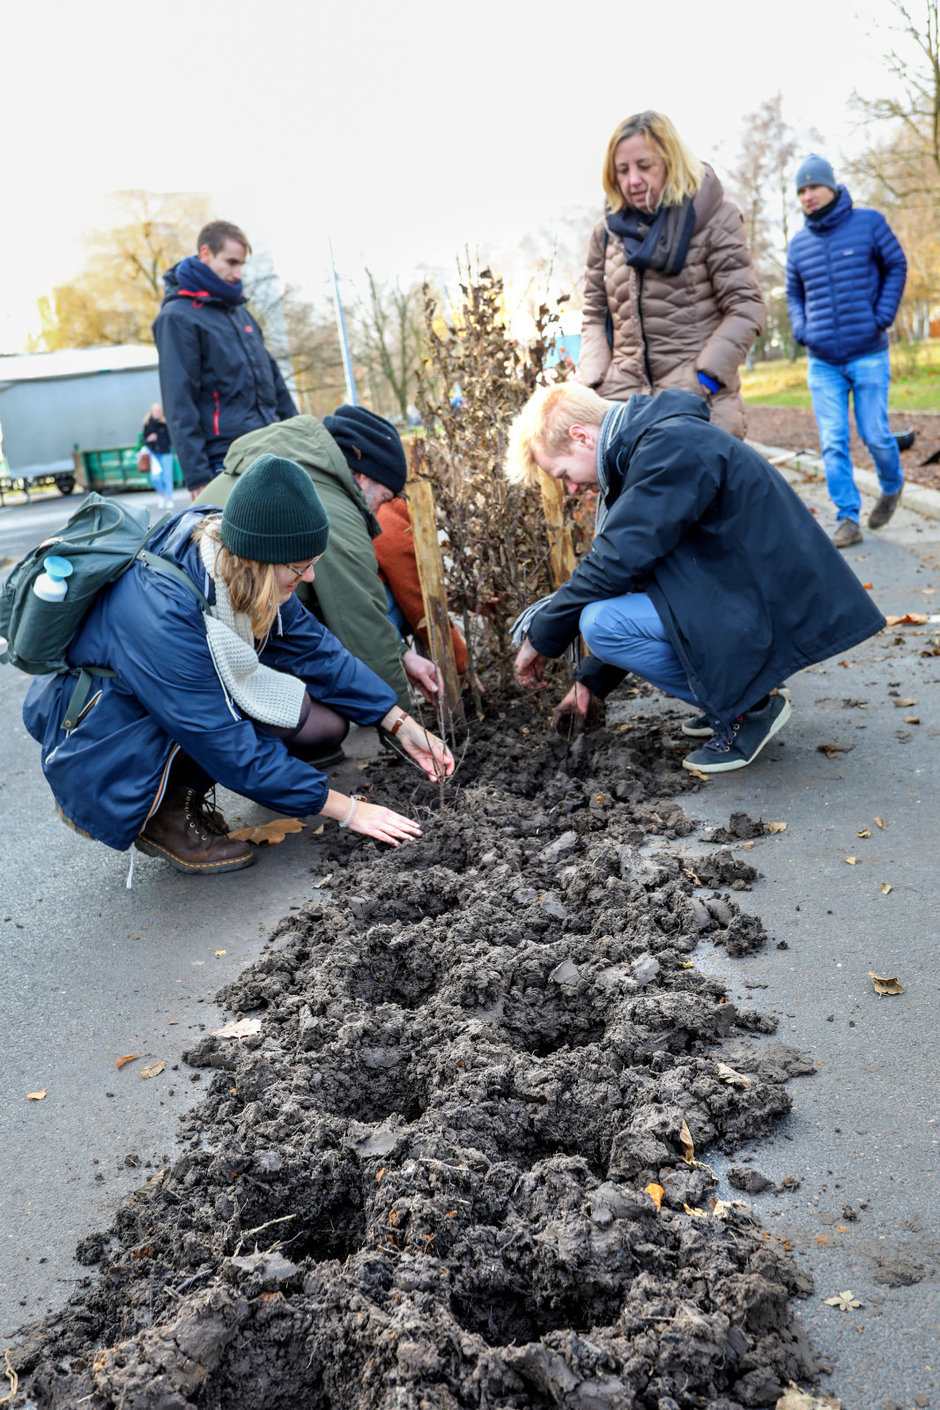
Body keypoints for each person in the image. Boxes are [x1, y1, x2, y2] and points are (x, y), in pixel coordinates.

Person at [23, 455, 454, 876]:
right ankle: (163, 813)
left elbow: (316, 650)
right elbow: (226, 742)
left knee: (319, 726)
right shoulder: (159, 615)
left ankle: (190, 785)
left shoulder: (241, 557)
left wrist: (399, 723)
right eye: (300, 567)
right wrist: (350, 810)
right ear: (262, 559)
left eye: (313, 564)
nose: (309, 579)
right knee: (222, 734)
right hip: (102, 744)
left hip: (175, 700)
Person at [505, 383, 885, 773]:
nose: (570, 488)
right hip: (742, 594)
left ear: (581, 437)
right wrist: (589, 683)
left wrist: (542, 637)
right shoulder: (652, 444)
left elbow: (615, 563)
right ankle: (733, 696)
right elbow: (635, 570)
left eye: (563, 473)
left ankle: (749, 705)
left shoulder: (667, 449)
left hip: (759, 604)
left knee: (601, 624)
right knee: (605, 617)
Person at [193, 408, 458, 710]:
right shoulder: (332, 509)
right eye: (383, 498)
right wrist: (403, 725)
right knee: (323, 724)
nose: (378, 513)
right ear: (362, 477)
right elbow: (360, 619)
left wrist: (401, 655)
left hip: (224, 626)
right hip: (213, 648)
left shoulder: (301, 462)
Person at [580, 111, 765, 440]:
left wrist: (704, 379)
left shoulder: (716, 219)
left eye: (644, 166)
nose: (633, 180)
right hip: (623, 406)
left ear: (670, 161)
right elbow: (594, 314)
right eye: (622, 171)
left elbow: (746, 306)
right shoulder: (605, 234)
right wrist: (595, 380)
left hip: (698, 406)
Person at [785, 154, 908, 548]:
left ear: (832, 187)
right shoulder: (799, 244)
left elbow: (897, 265)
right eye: (801, 190)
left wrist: (883, 314)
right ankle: (847, 519)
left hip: (868, 351)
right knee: (833, 441)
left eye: (813, 187)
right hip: (822, 361)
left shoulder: (869, 223)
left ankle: (892, 484)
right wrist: (801, 328)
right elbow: (793, 292)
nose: (808, 196)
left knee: (875, 434)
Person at [152, 220, 298, 496]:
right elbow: (179, 401)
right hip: (226, 461)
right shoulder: (177, 317)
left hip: (273, 448)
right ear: (205, 253)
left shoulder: (240, 313)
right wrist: (196, 476)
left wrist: (297, 436)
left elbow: (274, 381)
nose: (237, 273)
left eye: (241, 264)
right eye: (231, 262)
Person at [142, 403, 175, 510]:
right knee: (155, 478)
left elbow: (172, 439)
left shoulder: (166, 424)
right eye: (155, 411)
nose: (157, 413)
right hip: (154, 454)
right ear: (151, 412)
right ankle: (162, 494)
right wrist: (148, 439)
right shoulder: (147, 424)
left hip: (166, 453)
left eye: (158, 411)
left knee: (167, 477)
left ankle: (169, 498)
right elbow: (143, 440)